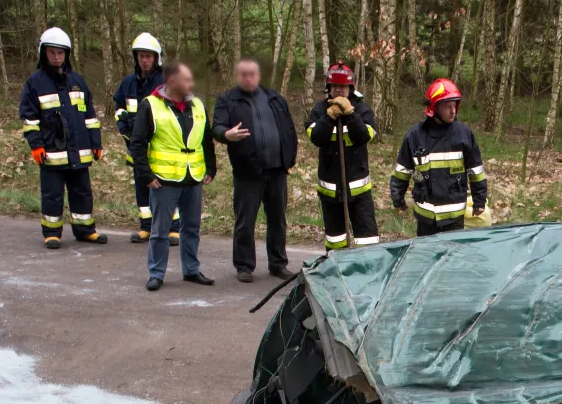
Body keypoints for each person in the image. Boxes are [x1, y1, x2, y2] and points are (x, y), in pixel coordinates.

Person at [129, 60, 217, 291]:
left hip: (193, 177)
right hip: (163, 180)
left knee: (192, 228)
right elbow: (137, 144)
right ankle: (156, 273)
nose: (191, 84)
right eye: (186, 80)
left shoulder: (197, 104)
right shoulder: (151, 105)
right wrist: (146, 175)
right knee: (160, 230)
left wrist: (211, 167)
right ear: (172, 81)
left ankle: (191, 270)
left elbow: (206, 138)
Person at [211, 58, 299, 282]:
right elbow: (217, 126)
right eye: (243, 74)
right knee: (245, 220)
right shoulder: (227, 100)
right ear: (236, 76)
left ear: (259, 76)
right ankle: (244, 266)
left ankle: (278, 264)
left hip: (277, 170)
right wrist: (226, 135)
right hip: (247, 171)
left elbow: (289, 128)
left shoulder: (275, 98)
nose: (248, 78)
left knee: (278, 219)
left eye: (252, 74)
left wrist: (289, 158)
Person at [19, 27, 107, 249]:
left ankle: (85, 230)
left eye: (61, 53)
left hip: (79, 150)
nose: (57, 57)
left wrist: (95, 142)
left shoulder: (77, 81)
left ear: (67, 54)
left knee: (82, 193)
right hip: (51, 152)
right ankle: (51, 233)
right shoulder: (34, 83)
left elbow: (90, 116)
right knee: (52, 194)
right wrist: (36, 146)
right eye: (52, 53)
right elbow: (30, 119)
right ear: (43, 53)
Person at [390, 77, 487, 235]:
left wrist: (479, 201)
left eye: (454, 105)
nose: (453, 111)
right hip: (426, 216)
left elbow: (476, 171)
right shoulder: (415, 136)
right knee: (427, 257)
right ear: (434, 108)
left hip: (454, 216)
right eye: (448, 106)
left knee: (452, 258)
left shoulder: (464, 134)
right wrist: (398, 198)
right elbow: (402, 170)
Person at [305, 62, 380, 250]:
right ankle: (336, 273)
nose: (339, 90)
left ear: (350, 87)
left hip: (359, 191)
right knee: (335, 240)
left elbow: (365, 136)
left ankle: (368, 276)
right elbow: (316, 137)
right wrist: (329, 117)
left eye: (343, 86)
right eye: (335, 86)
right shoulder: (319, 110)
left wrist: (350, 114)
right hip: (331, 190)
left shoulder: (362, 110)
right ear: (328, 88)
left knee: (367, 240)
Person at [113, 33, 178, 246]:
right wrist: (125, 130)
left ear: (156, 58)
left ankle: (173, 228)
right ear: (136, 57)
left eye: (149, 56)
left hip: (162, 146)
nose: (145, 60)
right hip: (136, 146)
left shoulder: (166, 82)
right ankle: (146, 226)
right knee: (142, 186)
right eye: (141, 55)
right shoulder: (128, 84)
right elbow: (119, 109)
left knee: (167, 186)